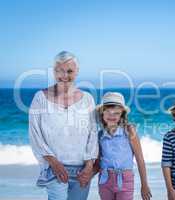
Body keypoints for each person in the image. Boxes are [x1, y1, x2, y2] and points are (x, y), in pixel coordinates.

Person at [29, 51, 98, 200]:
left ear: (77, 72)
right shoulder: (40, 98)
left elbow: (92, 133)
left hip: (81, 169)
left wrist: (89, 165)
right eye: (59, 71)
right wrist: (53, 162)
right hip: (54, 168)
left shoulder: (88, 99)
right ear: (53, 72)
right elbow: (35, 135)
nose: (64, 75)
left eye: (70, 71)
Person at [96, 92, 152, 200]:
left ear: (121, 114)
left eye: (116, 113)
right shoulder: (100, 135)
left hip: (125, 180)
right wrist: (86, 175)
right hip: (104, 179)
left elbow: (140, 159)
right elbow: (98, 162)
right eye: (108, 112)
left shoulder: (129, 131)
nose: (112, 116)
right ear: (102, 113)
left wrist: (144, 184)